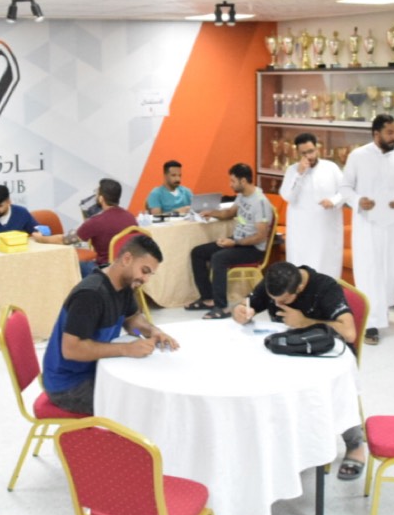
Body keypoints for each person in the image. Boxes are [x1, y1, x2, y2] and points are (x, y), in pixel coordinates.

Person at [230, 262, 366, 480]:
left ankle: (355, 444)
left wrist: (305, 321)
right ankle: (280, 440)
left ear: (300, 288)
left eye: (284, 301)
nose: (277, 304)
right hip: (289, 348)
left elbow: (349, 332)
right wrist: (241, 310)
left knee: (335, 390)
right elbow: (248, 304)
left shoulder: (325, 288)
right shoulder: (276, 282)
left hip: (325, 352)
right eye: (273, 299)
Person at [42, 233, 178, 414]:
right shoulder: (91, 295)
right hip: (69, 385)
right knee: (145, 406)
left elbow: (131, 320)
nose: (145, 279)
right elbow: (71, 350)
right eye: (144, 271)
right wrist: (126, 349)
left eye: (150, 274)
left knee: (152, 388)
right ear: (127, 259)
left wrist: (152, 331)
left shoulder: (125, 285)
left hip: (94, 369)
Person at [339, 114, 394, 345]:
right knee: (370, 273)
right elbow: (345, 187)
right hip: (368, 225)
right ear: (376, 134)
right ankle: (371, 323)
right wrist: (358, 201)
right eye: (389, 132)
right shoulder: (358, 156)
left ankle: (382, 308)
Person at [187, 163, 273, 319]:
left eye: (233, 181)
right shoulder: (242, 196)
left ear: (243, 181)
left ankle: (221, 307)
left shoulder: (260, 203)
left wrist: (235, 243)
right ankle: (208, 299)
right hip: (237, 241)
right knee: (198, 253)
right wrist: (211, 213)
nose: (230, 184)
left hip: (253, 249)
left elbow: (260, 236)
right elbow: (229, 213)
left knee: (218, 258)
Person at [35, 178, 138, 277]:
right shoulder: (131, 218)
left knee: (74, 265)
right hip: (128, 269)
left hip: (106, 272)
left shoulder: (96, 221)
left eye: (97, 192)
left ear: (101, 198)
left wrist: (41, 239)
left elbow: (64, 240)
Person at [279, 132, 345, 277]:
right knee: (300, 272)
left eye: (311, 151)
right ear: (298, 153)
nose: (309, 156)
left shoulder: (331, 168)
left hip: (326, 231)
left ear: (317, 149)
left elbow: (346, 190)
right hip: (301, 233)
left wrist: (333, 201)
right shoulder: (292, 171)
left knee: (325, 271)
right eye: (304, 153)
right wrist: (299, 174)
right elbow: (287, 196)